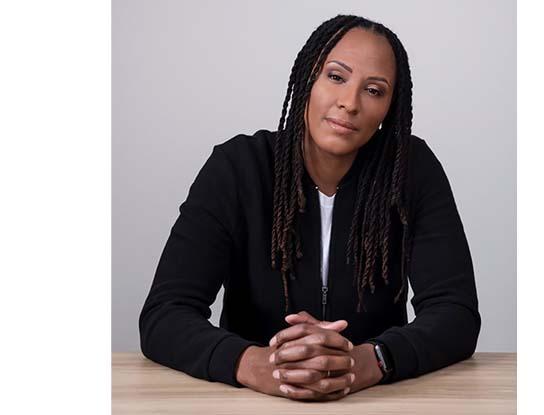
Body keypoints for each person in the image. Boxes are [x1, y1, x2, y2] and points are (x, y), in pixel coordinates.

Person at [139, 14, 481, 402]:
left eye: (374, 90)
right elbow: (164, 315)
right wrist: (255, 365)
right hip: (249, 401)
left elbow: (456, 314)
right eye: (336, 77)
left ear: (390, 107)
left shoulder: (411, 171)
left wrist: (369, 361)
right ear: (307, 79)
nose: (349, 103)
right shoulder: (237, 168)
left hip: (375, 401)